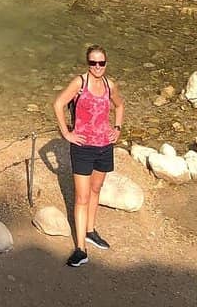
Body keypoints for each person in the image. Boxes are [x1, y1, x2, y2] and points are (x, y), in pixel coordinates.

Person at [53, 44, 125, 268]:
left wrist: (117, 129)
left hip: (104, 146)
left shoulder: (109, 85)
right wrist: (67, 134)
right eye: (93, 62)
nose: (97, 66)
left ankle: (90, 231)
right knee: (82, 197)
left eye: (101, 62)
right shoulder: (80, 83)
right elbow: (58, 104)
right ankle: (80, 249)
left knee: (96, 190)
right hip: (82, 148)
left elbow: (120, 106)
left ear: (106, 63)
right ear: (88, 63)